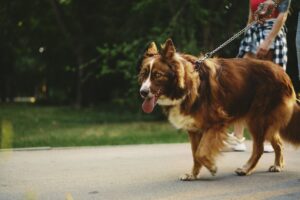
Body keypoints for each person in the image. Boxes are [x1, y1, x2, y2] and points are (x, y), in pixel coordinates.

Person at [226, 0, 291, 152]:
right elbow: (251, 16)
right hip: (253, 33)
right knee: (241, 85)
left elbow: (283, 16)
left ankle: (269, 139)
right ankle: (238, 137)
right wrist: (247, 33)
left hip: (272, 34)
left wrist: (268, 41)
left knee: (270, 90)